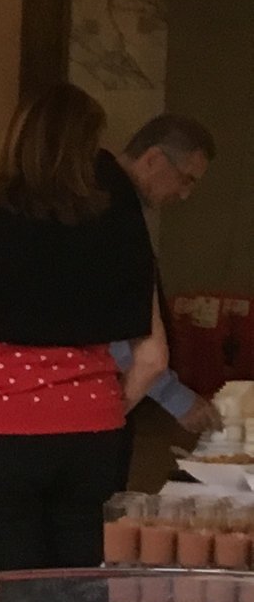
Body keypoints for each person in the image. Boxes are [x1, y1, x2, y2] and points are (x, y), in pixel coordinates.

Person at [0, 83, 167, 573]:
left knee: (18, 599)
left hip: (0, 438)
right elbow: (152, 358)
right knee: (82, 594)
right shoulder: (122, 235)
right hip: (93, 437)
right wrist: (103, 403)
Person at [111, 113, 218, 481]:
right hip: (92, 404)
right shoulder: (112, 212)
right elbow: (115, 328)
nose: (185, 194)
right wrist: (174, 396)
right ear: (153, 159)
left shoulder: (119, 206)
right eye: (185, 179)